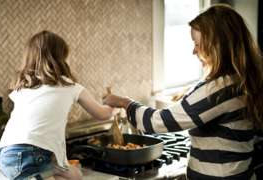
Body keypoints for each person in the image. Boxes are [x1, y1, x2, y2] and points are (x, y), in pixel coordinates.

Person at [103, 4, 263, 180]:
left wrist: (124, 102)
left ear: (218, 45)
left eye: (197, 44)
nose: (194, 51)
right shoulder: (241, 80)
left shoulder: (217, 91)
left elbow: (158, 122)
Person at [0, 30, 114, 180]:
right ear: (60, 58)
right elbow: (103, 114)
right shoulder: (70, 86)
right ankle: (54, 169)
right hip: (31, 155)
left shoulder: (24, 87)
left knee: (72, 175)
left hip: (5, 157)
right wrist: (113, 104)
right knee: (76, 176)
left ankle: (54, 170)